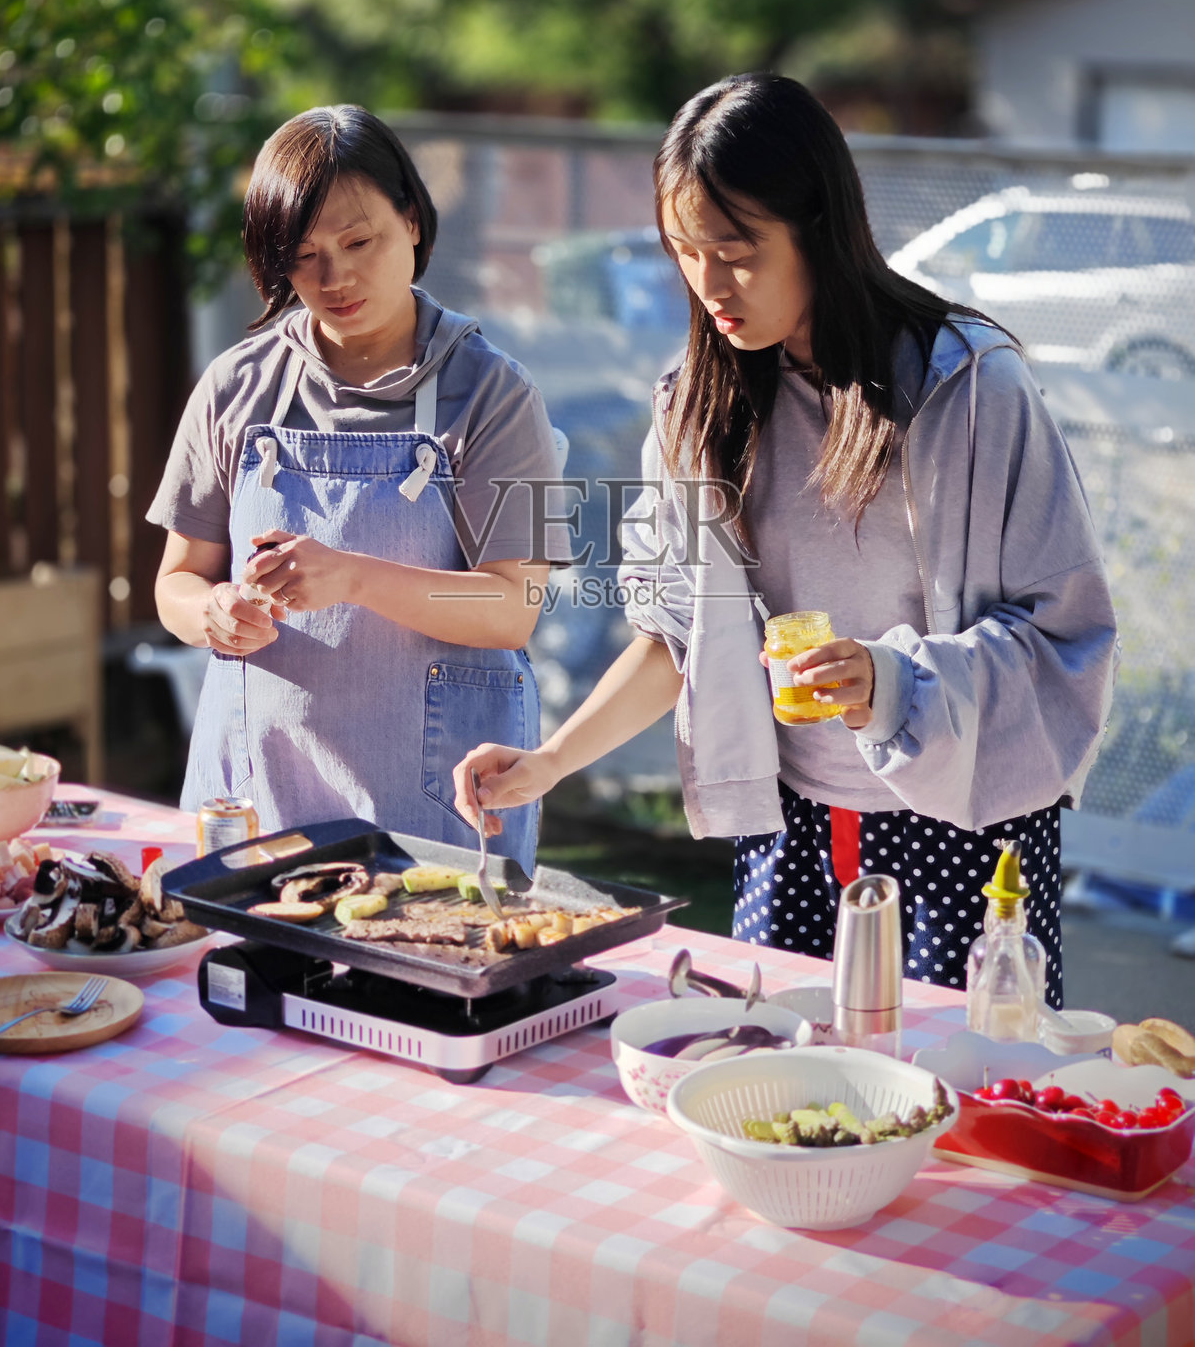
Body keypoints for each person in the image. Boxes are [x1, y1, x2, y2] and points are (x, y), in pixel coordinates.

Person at [452, 73, 1118, 1003]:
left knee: (954, 1080)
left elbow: (1066, 636)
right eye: (685, 252)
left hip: (967, 827)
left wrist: (892, 680)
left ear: (819, 227)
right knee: (779, 1068)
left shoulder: (968, 388)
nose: (709, 284)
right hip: (789, 823)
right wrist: (549, 763)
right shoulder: (696, 407)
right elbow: (677, 638)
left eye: (736, 253)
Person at [149, 105, 563, 872]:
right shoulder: (235, 387)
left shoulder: (493, 395)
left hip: (437, 812)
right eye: (304, 256)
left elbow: (512, 608)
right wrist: (212, 612)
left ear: (412, 221)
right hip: (254, 801)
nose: (334, 278)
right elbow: (176, 582)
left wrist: (351, 577)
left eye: (358, 242)